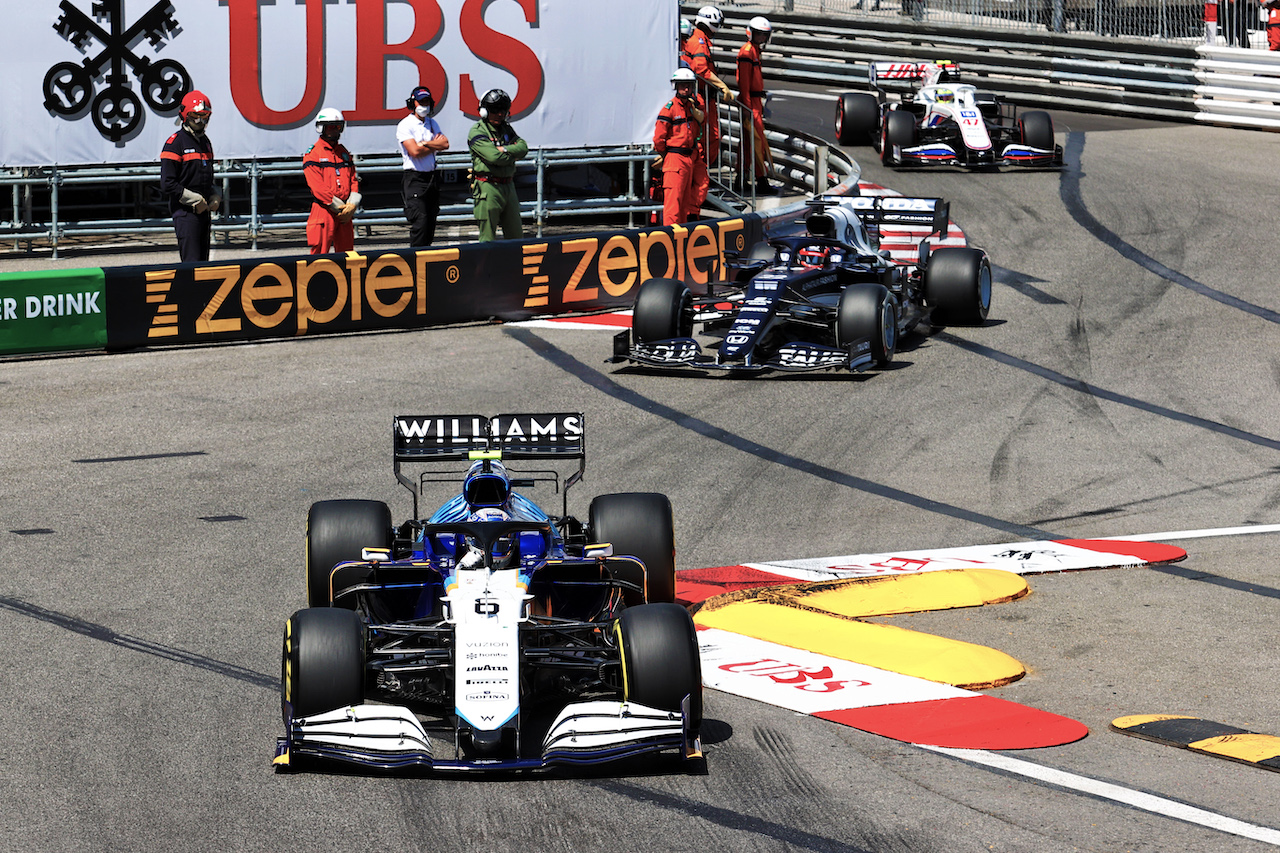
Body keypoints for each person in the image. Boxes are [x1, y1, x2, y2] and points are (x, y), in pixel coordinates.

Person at [160, 90, 220, 263]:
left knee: (203, 263)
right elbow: (167, 183)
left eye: (204, 116)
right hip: (185, 214)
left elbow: (209, 176)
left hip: (204, 213)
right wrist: (194, 200)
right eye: (195, 115)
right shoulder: (175, 143)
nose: (200, 121)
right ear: (185, 115)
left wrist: (216, 194)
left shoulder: (205, 142)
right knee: (191, 264)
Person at [467, 88, 529, 242]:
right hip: (488, 187)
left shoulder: (506, 129)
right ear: (484, 111)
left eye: (503, 110)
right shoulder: (477, 131)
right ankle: (485, 266)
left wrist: (505, 149)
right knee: (487, 238)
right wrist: (512, 156)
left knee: (516, 237)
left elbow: (523, 147)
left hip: (508, 185)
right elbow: (494, 157)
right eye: (495, 110)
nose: (500, 114)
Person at [654, 68, 710, 226]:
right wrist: (667, 155)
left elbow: (701, 120)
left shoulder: (692, 108)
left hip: (688, 157)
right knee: (674, 205)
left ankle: (683, 238)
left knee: (684, 204)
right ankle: (670, 240)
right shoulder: (669, 109)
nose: (686, 88)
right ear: (676, 86)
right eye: (683, 85)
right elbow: (658, 139)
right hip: (675, 158)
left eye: (689, 85)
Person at [302, 107, 361, 255]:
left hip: (345, 211)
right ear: (321, 128)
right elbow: (317, 188)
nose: (334, 130)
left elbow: (353, 179)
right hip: (324, 210)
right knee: (319, 255)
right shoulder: (313, 154)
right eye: (330, 127)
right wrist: (340, 207)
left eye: (337, 127)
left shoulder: (344, 153)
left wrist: (352, 203)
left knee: (347, 254)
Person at [397, 86, 449, 247]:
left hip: (432, 178)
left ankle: (426, 260)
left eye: (427, 101)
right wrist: (434, 144)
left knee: (431, 221)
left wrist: (425, 143)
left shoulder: (432, 123)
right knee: (420, 221)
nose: (424, 105)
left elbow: (445, 143)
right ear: (413, 103)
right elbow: (414, 151)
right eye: (421, 101)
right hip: (415, 178)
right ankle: (414, 261)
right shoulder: (405, 124)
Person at [737, 16, 778, 196]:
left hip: (754, 102)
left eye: (764, 35)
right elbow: (744, 84)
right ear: (751, 33)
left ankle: (741, 179)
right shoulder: (747, 52)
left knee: (748, 144)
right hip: (750, 104)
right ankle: (761, 181)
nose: (761, 38)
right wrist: (747, 108)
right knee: (757, 143)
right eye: (759, 34)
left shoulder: (753, 51)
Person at [682, 6, 733, 102]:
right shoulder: (699, 42)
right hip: (701, 96)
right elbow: (701, 69)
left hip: (704, 95)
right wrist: (721, 85)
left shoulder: (698, 39)